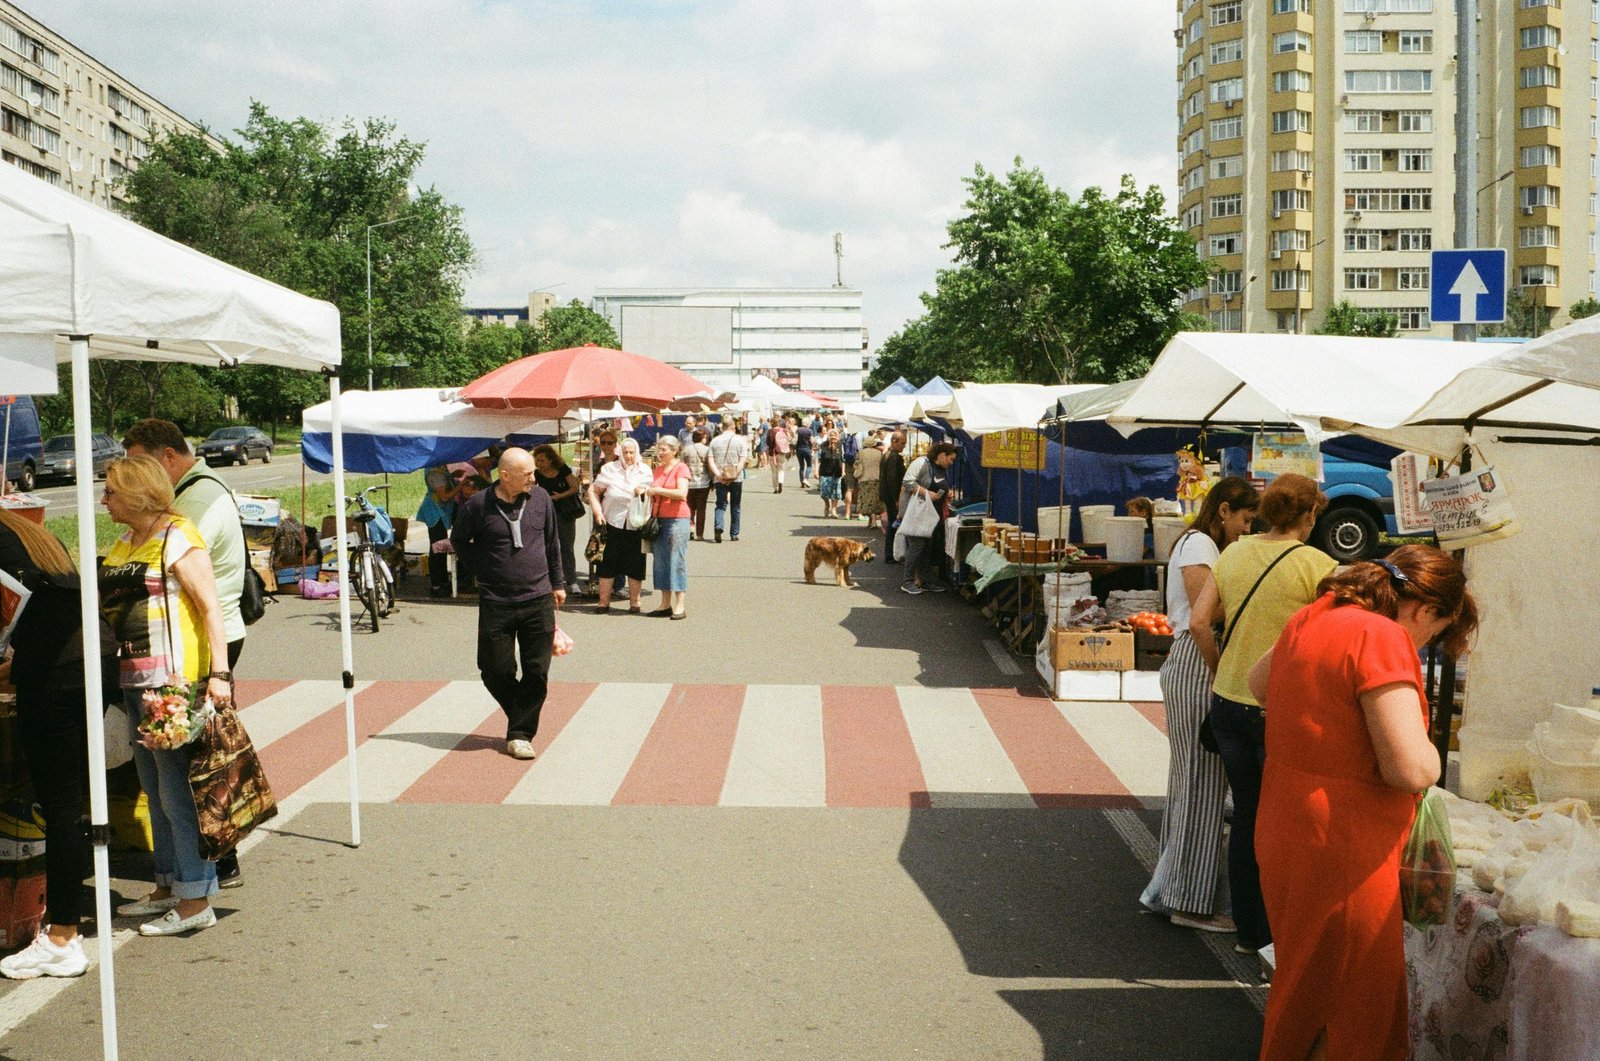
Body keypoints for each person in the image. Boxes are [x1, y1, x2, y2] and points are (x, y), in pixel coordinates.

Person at [1251, 546, 1477, 1060]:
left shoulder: (1318, 612)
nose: (1425, 644)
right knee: (1353, 1000)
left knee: (1304, 984)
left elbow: (1257, 682)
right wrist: (1431, 759)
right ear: (1424, 610)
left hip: (1287, 822)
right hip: (1345, 842)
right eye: (1435, 632)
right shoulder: (1381, 635)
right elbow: (1410, 768)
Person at [1190, 472, 1336, 956]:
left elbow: (1198, 622)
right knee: (1285, 820)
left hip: (1228, 702)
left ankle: (1248, 930)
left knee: (1249, 814)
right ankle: (1278, 930)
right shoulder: (1319, 566)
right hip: (1279, 709)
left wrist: (1221, 672)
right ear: (1309, 515)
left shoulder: (1233, 552)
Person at [98, 456, 231, 937]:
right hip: (133, 679)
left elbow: (210, 607)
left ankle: (197, 897)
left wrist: (220, 673)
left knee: (176, 790)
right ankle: (167, 884)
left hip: (171, 682)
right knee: (153, 788)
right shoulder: (126, 541)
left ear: (135, 493)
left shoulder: (179, 535)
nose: (103, 499)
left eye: (111, 491)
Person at [121, 419, 249, 887]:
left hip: (193, 648)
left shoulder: (188, 505)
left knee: (193, 769)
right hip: (174, 650)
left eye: (140, 462)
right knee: (170, 776)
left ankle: (214, 861)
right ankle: (185, 872)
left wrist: (217, 672)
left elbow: (195, 585)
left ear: (167, 458)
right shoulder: (192, 494)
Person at [1139, 477, 1259, 934]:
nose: (1246, 531)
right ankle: (1188, 902)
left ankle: (1170, 887)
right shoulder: (1199, 546)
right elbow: (1205, 618)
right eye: (1245, 521)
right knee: (1203, 784)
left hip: (1191, 660)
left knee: (1193, 780)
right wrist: (1217, 670)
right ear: (1224, 510)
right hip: (1196, 659)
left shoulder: (1203, 545)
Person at [0, 512, 117, 978]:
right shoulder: (28, 532)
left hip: (62, 670)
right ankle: (65, 924)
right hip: (90, 657)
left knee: (60, 803)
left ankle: (62, 934)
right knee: (70, 800)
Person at [450, 448, 565, 760]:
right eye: (526, 473)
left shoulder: (540, 499)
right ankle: (520, 714)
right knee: (494, 669)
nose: (533, 477)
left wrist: (558, 583)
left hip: (538, 597)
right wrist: (483, 568)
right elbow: (459, 540)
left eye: (533, 472)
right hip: (497, 601)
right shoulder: (478, 505)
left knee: (537, 671)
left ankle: (520, 734)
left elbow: (552, 542)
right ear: (505, 475)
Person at [587, 437, 653, 612]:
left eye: (631, 452)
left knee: (635, 565)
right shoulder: (609, 469)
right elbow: (593, 490)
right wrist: (598, 512)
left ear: (637, 452)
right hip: (612, 522)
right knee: (607, 564)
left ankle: (635, 603)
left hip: (636, 524)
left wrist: (643, 491)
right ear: (620, 453)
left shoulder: (645, 470)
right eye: (625, 452)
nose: (628, 456)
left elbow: (651, 492)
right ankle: (603, 602)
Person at [897, 442, 958, 595]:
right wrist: (927, 493)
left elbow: (941, 486)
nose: (952, 463)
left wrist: (947, 493)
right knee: (916, 546)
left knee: (926, 548)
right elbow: (908, 482)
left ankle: (924, 580)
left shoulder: (942, 469)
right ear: (942, 455)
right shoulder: (921, 463)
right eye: (951, 459)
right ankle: (907, 581)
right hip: (917, 513)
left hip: (931, 515)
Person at [645, 436, 692, 620]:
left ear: (674, 450)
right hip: (659, 520)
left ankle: (680, 604)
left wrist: (657, 491)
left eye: (664, 449)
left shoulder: (681, 468)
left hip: (677, 519)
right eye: (659, 449)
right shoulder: (657, 469)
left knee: (676, 561)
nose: (660, 452)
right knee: (660, 562)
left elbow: (682, 493)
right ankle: (665, 603)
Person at [532, 445, 584, 598]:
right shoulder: (537, 474)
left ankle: (572, 581)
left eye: (542, 460)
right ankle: (549, 579)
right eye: (537, 460)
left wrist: (558, 497)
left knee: (567, 547)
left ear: (551, 460)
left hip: (565, 512)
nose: (539, 463)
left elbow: (575, 487)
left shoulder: (563, 470)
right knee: (546, 546)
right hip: (545, 513)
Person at [415, 464, 467, 597]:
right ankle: (437, 585)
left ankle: (442, 582)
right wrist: (460, 487)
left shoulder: (440, 469)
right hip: (434, 513)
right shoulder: (435, 473)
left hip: (439, 511)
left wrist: (453, 476)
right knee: (437, 548)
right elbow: (444, 496)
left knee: (439, 548)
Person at [706, 418, 750, 543]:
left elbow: (710, 460)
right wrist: (735, 474)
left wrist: (718, 475)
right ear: (733, 426)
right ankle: (734, 533)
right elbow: (743, 459)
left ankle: (718, 526)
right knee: (735, 505)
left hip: (719, 477)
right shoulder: (740, 441)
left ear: (721, 427)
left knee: (720, 504)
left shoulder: (714, 441)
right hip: (736, 478)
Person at [880, 431, 907, 564]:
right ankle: (891, 554)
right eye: (902, 443)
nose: (904, 446)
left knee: (893, 524)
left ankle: (891, 554)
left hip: (887, 496)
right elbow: (892, 479)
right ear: (894, 441)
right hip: (892, 497)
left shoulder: (888, 455)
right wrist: (897, 499)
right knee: (893, 525)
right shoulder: (893, 457)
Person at [682, 428, 713, 541]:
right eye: (705, 437)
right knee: (701, 509)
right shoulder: (707, 450)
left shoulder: (686, 450)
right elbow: (710, 467)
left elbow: (682, 466)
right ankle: (700, 534)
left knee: (689, 508)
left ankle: (690, 528)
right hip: (703, 483)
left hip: (688, 483)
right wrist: (712, 480)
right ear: (702, 438)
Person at [855, 433, 884, 527]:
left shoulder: (861, 453)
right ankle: (873, 519)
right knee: (875, 500)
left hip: (864, 478)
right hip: (877, 478)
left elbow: (856, 464)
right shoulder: (879, 453)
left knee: (867, 500)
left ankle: (872, 520)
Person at [816, 430, 844, 518]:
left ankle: (834, 509)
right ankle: (827, 505)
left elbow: (843, 460)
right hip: (825, 471)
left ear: (837, 437)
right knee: (824, 492)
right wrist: (816, 471)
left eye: (835, 435)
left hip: (837, 471)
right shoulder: (823, 445)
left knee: (836, 492)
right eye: (831, 435)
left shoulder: (840, 445)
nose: (833, 437)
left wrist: (843, 471)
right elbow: (817, 459)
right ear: (828, 436)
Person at [767, 416, 791, 493]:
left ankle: (775, 488)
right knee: (781, 469)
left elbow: (768, 442)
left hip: (772, 453)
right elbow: (788, 440)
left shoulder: (770, 431)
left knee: (774, 471)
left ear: (771, 423)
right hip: (781, 452)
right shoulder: (783, 430)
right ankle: (781, 482)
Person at [840, 428, 860, 520]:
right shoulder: (862, 434)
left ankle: (848, 513)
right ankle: (860, 513)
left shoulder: (846, 434)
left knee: (849, 489)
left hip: (848, 463)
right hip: (859, 464)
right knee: (859, 489)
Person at [793, 417, 814, 488]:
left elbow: (795, 439)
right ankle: (806, 479)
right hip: (807, 449)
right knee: (809, 465)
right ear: (808, 424)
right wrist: (812, 446)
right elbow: (811, 441)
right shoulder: (810, 431)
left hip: (799, 449)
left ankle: (802, 483)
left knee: (801, 466)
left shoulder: (798, 429)